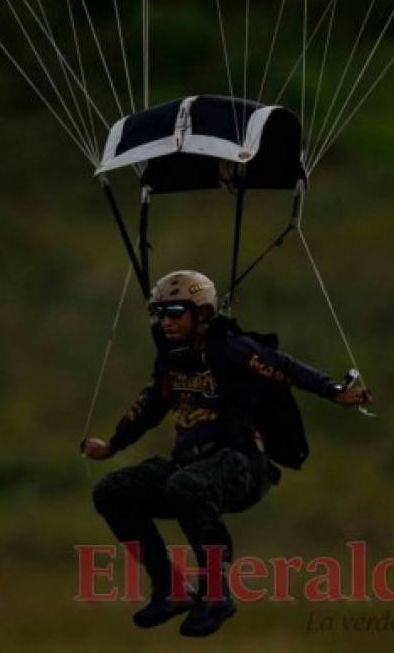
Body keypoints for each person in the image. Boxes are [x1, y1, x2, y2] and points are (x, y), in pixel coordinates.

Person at [82, 270, 372, 637]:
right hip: (189, 467)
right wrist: (112, 445)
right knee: (112, 491)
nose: (166, 321)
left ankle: (216, 596)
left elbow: (282, 365)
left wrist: (334, 390)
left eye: (175, 311)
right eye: (161, 313)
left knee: (186, 486)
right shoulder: (173, 358)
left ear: (202, 313)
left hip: (240, 467)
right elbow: (150, 404)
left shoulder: (231, 351)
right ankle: (170, 590)